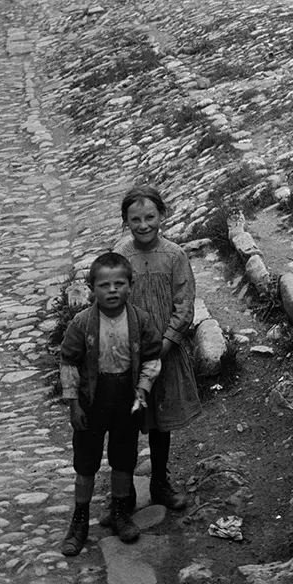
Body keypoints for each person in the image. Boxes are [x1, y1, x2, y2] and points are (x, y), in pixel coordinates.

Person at [59, 252, 162, 556]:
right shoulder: (82, 323)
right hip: (93, 400)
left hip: (126, 400)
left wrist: (143, 388)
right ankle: (79, 521)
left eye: (120, 283)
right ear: (92, 289)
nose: (112, 290)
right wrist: (74, 404)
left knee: (124, 457)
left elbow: (153, 357)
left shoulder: (140, 320)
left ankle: (120, 511)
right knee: (86, 461)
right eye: (104, 285)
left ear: (131, 286)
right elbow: (68, 362)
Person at [113, 188, 200, 513]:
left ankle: (159, 483)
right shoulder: (121, 255)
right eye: (135, 219)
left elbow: (184, 301)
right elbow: (112, 300)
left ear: (162, 216)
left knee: (160, 421)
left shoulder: (175, 255)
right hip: (128, 357)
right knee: (126, 422)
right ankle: (122, 496)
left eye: (150, 217)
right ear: (126, 222)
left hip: (165, 352)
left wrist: (165, 344)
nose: (144, 224)